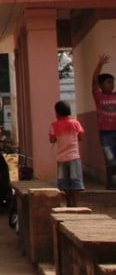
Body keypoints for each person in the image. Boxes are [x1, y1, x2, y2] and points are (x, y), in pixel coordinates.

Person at [49, 100, 86, 206]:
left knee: (64, 184)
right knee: (74, 183)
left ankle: (69, 203)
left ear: (57, 113)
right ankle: (75, 205)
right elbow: (80, 137)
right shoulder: (75, 123)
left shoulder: (54, 125)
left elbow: (52, 140)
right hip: (74, 157)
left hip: (61, 159)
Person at [90, 53, 116, 189]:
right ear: (101, 85)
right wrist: (99, 65)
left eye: (112, 82)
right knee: (110, 160)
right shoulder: (99, 96)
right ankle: (110, 184)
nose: (111, 85)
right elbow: (93, 81)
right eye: (108, 82)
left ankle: (113, 182)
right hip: (106, 133)